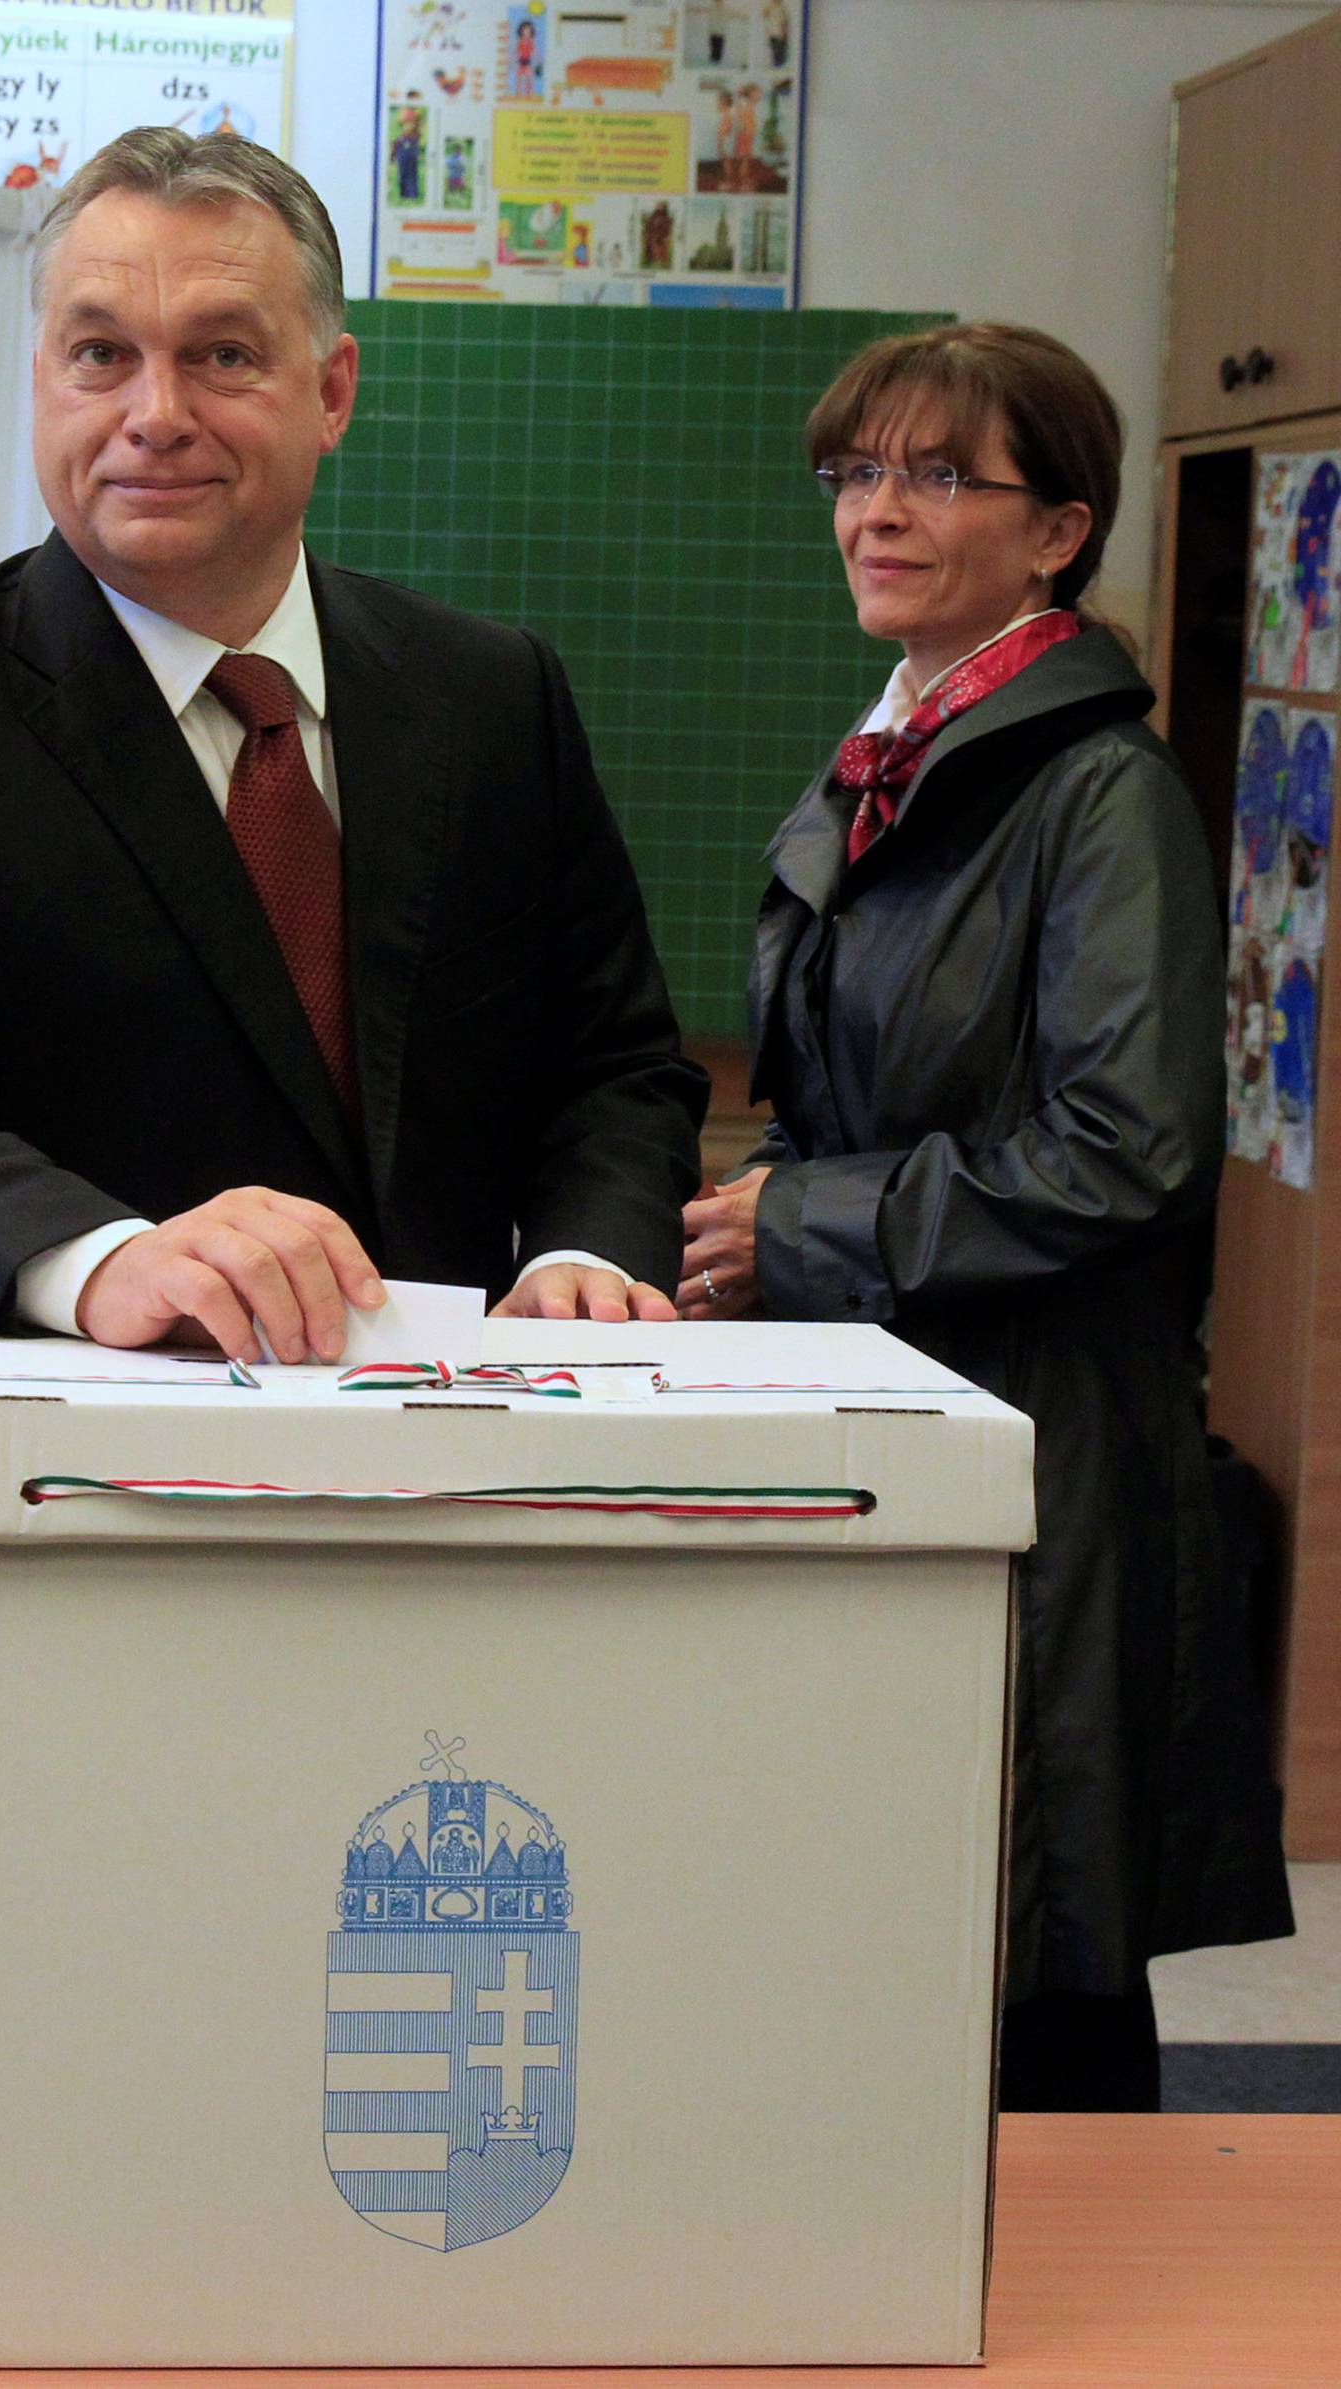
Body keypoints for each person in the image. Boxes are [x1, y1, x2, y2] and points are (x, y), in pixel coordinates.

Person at [0, 128, 708, 2098]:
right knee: (15, 2110)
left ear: (332, 387)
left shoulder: (489, 697)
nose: (152, 412)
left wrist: (595, 1246)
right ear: (39, 384)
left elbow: (615, 1053)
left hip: (440, 1529)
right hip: (28, 1556)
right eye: (98, 353)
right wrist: (99, 1259)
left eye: (222, 354)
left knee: (373, 2085)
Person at [678, 322, 1292, 2112]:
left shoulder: (1100, 788)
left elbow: (1128, 1146)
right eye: (857, 471)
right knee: (886, 1924)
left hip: (1043, 1448)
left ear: (1058, 532)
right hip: (888, 1395)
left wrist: (808, 1224)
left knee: (1035, 1964)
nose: (878, 511)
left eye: (941, 476)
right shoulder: (901, 748)